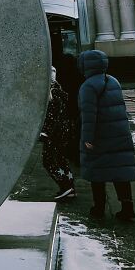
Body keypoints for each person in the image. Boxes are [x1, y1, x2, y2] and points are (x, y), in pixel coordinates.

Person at [78, 50, 135, 221]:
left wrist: (88, 139)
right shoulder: (113, 80)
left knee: (97, 172)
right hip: (119, 133)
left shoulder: (88, 86)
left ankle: (99, 207)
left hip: (101, 136)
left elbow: (89, 116)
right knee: (121, 172)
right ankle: (127, 207)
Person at [40, 67, 76, 201]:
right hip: (62, 133)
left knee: (48, 161)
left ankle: (65, 186)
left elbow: (52, 116)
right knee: (61, 160)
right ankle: (69, 188)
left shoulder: (52, 94)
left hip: (55, 135)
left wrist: (45, 132)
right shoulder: (58, 90)